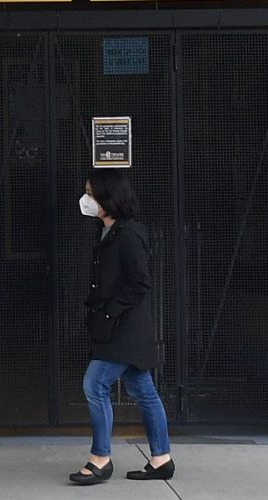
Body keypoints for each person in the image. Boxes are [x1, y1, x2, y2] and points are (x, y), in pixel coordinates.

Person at [70, 170, 175, 486]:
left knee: (94, 384)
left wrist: (109, 313)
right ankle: (161, 459)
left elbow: (140, 282)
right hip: (118, 327)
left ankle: (100, 459)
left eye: (91, 193)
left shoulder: (127, 236)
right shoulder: (109, 232)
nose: (86, 199)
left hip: (123, 330)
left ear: (107, 198)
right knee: (143, 389)